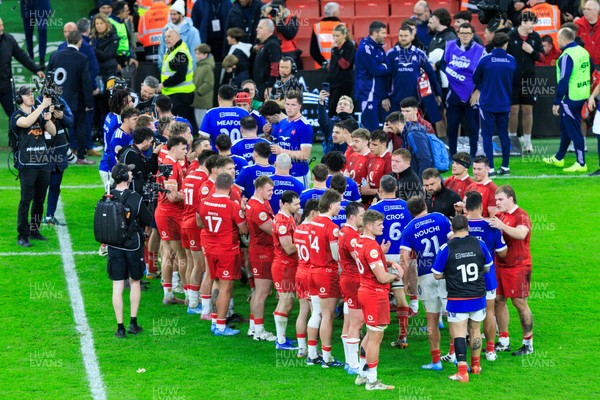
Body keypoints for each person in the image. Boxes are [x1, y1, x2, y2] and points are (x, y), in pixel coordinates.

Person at [432, 214, 492, 381]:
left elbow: (437, 275)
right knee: (475, 331)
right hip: (479, 296)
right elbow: (487, 268)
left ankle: (462, 372)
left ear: (451, 229)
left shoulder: (446, 248)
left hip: (458, 299)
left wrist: (451, 274)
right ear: (468, 228)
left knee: (459, 333)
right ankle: (476, 365)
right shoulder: (479, 244)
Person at [400, 196, 452, 371]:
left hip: (425, 275)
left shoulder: (408, 229)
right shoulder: (440, 217)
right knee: (453, 316)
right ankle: (453, 354)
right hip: (445, 274)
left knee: (432, 319)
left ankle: (436, 361)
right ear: (425, 206)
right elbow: (454, 240)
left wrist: (406, 281)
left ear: (410, 212)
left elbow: (404, 260)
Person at [354, 210, 401, 390]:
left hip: (365, 291)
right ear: (369, 226)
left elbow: (369, 260)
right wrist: (396, 275)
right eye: (380, 225)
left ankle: (362, 374)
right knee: (375, 337)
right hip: (375, 294)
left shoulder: (360, 241)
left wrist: (385, 258)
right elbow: (382, 278)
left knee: (369, 334)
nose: (383, 227)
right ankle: (372, 381)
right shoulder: (371, 246)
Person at [198, 172, 248, 336]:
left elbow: (200, 222)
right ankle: (220, 326)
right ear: (230, 187)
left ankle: (214, 320)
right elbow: (244, 230)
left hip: (210, 248)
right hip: (227, 250)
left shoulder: (204, 202)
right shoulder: (232, 206)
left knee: (216, 283)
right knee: (226, 288)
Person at [489, 185, 535, 356]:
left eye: (500, 199)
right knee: (498, 300)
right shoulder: (501, 215)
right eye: (496, 200)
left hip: (518, 266)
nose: (497, 203)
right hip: (500, 265)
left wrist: (502, 226)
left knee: (519, 303)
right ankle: (503, 340)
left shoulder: (521, 215)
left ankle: (528, 343)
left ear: (511, 199)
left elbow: (521, 234)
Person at [107, 163, 152, 338]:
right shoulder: (135, 197)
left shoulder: (107, 195)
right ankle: (133, 322)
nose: (132, 173)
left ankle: (120, 327)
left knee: (117, 286)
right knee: (134, 282)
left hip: (114, 245)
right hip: (133, 245)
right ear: (126, 177)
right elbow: (148, 219)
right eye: (130, 172)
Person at [368, 177, 413, 349]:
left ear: (380, 188)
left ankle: (372, 330)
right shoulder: (406, 206)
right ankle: (403, 336)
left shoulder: (375, 208)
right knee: (401, 296)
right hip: (402, 255)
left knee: (377, 293)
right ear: (396, 187)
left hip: (381, 254)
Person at [463, 191, 507, 362]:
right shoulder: (492, 226)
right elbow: (502, 252)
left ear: (466, 207)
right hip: (487, 278)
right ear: (481, 206)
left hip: (464, 278)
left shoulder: (459, 226)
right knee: (489, 312)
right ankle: (490, 350)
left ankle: (460, 351)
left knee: (465, 313)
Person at [543, 27, 592, 172]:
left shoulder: (566, 56)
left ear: (564, 39)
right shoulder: (583, 51)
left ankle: (581, 163)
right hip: (582, 94)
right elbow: (591, 69)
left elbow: (564, 80)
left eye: (558, 39)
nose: (557, 41)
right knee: (566, 128)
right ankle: (559, 158)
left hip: (570, 98)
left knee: (574, 130)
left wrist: (557, 101)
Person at [11, 88, 56, 247]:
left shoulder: (38, 113)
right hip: (27, 164)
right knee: (26, 200)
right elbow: (26, 122)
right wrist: (41, 106)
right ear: (19, 98)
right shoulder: (16, 115)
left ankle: (34, 230)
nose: (31, 96)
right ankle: (22, 235)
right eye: (27, 94)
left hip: (43, 163)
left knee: (39, 200)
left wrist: (48, 117)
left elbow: (53, 131)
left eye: (31, 94)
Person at [306, 189, 344, 368]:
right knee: (327, 315)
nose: (340, 207)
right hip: (326, 274)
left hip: (312, 271)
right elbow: (337, 256)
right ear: (331, 205)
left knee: (316, 313)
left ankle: (312, 355)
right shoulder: (332, 227)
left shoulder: (312, 223)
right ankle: (327, 358)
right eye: (339, 204)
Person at [471, 32, 516, 176]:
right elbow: (515, 79)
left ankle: (489, 168)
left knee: (487, 136)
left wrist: (486, 83)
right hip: (504, 102)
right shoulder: (511, 60)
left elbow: (475, 78)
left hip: (487, 103)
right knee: (504, 134)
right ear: (505, 44)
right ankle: (505, 166)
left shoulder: (485, 60)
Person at [48, 30, 95, 165]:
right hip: (76, 101)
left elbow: (48, 78)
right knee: (80, 126)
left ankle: (55, 156)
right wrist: (89, 102)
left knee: (55, 127)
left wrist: (49, 99)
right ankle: (80, 157)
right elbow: (86, 82)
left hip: (56, 100)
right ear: (80, 42)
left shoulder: (55, 56)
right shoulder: (82, 58)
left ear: (67, 40)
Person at [442, 23, 485, 158]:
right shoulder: (449, 46)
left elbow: (485, 73)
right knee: (453, 126)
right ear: (458, 34)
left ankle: (473, 156)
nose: (465, 36)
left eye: (468, 33)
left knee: (473, 127)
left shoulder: (480, 50)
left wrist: (478, 91)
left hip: (472, 94)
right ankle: (452, 156)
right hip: (453, 94)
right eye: (462, 33)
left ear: (472, 35)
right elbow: (443, 64)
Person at [154, 136, 188, 305]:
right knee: (182, 256)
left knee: (168, 252)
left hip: (164, 212)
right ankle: (191, 296)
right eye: (183, 149)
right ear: (173, 148)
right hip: (171, 214)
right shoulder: (170, 165)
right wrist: (188, 195)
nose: (186, 152)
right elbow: (173, 197)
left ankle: (168, 293)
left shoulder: (170, 163)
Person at [507, 11, 544, 154]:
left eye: (534, 22)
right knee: (513, 110)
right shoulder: (510, 36)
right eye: (531, 22)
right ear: (523, 22)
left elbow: (542, 58)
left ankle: (528, 142)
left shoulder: (535, 37)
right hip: (512, 79)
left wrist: (531, 51)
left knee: (528, 110)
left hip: (529, 79)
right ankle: (512, 141)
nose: (533, 26)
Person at [0, 17, 44, 138]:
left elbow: (22, 56)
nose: (2, 27)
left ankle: (16, 142)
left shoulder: (8, 40)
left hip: (6, 87)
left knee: (14, 115)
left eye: (2, 24)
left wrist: (36, 69)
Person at [246, 175, 277, 341]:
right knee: (262, 293)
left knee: (259, 292)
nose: (272, 193)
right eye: (269, 190)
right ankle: (259, 331)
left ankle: (253, 327)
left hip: (260, 251)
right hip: (262, 254)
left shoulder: (259, 203)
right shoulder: (257, 208)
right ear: (259, 189)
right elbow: (273, 230)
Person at [386, 25, 441, 114]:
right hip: (395, 101)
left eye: (406, 36)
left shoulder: (420, 54)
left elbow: (431, 74)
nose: (403, 38)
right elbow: (385, 77)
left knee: (414, 127)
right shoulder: (391, 54)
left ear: (412, 36)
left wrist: (437, 93)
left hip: (416, 100)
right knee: (396, 126)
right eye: (401, 36)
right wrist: (385, 97)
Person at [337, 201, 364, 373]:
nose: (364, 218)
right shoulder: (351, 236)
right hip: (354, 281)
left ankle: (349, 361)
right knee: (357, 322)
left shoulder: (344, 231)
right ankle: (354, 365)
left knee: (348, 322)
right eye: (362, 215)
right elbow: (360, 258)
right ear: (352, 217)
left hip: (347, 279)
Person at [272, 190, 301, 349]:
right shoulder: (283, 222)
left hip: (287, 266)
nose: (299, 206)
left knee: (286, 301)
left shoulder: (288, 217)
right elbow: (289, 248)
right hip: (284, 267)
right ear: (286, 204)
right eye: (296, 204)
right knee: (286, 301)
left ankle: (281, 339)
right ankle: (281, 341)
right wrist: (304, 242)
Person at [269, 90, 313, 186]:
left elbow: (305, 155)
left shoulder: (305, 126)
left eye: (293, 105)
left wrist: (282, 151)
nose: (289, 108)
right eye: (287, 104)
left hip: (299, 174)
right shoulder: (283, 122)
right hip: (281, 172)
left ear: (299, 106)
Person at [293, 198, 319, 357]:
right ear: (314, 212)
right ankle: (313, 352)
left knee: (303, 311)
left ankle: (301, 348)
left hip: (300, 271)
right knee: (316, 313)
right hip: (311, 272)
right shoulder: (314, 230)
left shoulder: (298, 228)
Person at [159, 28, 197, 135]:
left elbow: (180, 76)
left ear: (178, 37)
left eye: (169, 36)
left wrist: (163, 84)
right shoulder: (174, 50)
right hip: (177, 94)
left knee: (179, 126)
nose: (166, 39)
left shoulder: (180, 53)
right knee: (186, 124)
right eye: (165, 37)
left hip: (180, 95)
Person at [354, 21, 390, 131]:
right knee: (371, 129)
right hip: (367, 93)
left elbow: (389, 67)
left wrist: (383, 67)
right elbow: (375, 71)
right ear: (375, 32)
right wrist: (383, 67)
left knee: (383, 128)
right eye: (383, 33)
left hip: (378, 93)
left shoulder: (379, 48)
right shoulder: (364, 48)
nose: (385, 35)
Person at [44, 95, 72, 226]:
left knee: (55, 186)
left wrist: (61, 116)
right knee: (39, 189)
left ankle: (50, 216)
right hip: (42, 153)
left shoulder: (60, 100)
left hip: (59, 151)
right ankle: (35, 218)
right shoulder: (37, 104)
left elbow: (71, 122)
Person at [158, 0, 201, 70]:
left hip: (186, 76)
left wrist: (190, 73)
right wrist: (161, 67)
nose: (172, 17)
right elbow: (161, 50)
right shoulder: (166, 29)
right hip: (167, 74)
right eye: (171, 14)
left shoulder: (192, 31)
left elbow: (195, 55)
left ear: (181, 14)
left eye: (175, 14)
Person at [118, 126, 160, 195]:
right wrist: (155, 154)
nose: (151, 144)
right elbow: (145, 174)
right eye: (151, 142)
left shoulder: (130, 150)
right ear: (144, 142)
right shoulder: (131, 155)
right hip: (132, 195)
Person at [325, 24, 355, 119]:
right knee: (331, 110)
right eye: (334, 36)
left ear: (344, 35)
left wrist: (336, 52)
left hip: (343, 84)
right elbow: (332, 66)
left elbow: (345, 65)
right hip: (334, 84)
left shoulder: (349, 46)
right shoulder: (336, 49)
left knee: (336, 111)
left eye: (337, 36)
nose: (335, 38)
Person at [261, 0, 300, 65]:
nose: (276, 10)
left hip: (287, 51)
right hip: (271, 49)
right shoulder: (268, 18)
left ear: (284, 9)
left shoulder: (292, 18)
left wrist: (279, 22)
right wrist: (265, 15)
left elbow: (289, 35)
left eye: (278, 8)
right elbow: (260, 31)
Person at [254, 18, 282, 101]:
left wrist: (270, 86)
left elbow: (275, 66)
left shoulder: (272, 45)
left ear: (268, 30)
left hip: (266, 88)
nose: (257, 29)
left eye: (260, 27)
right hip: (261, 87)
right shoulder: (266, 45)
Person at [107, 107, 140, 177]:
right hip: (120, 176)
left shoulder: (131, 133)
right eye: (134, 119)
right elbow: (118, 161)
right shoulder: (118, 138)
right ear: (126, 120)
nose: (137, 122)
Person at [310, 2, 343, 69]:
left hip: (322, 68)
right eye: (339, 11)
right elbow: (347, 49)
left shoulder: (317, 27)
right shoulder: (343, 26)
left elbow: (313, 51)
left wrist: (324, 63)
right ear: (335, 13)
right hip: (339, 68)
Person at [362, 130, 392, 200]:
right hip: (369, 199)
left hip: (382, 199)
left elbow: (390, 187)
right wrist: (364, 186)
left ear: (384, 145)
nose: (371, 147)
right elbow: (366, 177)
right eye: (370, 144)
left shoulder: (390, 159)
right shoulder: (371, 157)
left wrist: (370, 191)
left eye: (375, 145)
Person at [20, 0, 51, 69]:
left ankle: (42, 59)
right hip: (27, 4)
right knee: (28, 31)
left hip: (42, 4)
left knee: (42, 30)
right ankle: (30, 57)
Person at [109, 1, 139, 69]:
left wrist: (130, 57)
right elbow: (107, 46)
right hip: (115, 61)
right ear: (120, 13)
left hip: (123, 59)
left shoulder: (122, 22)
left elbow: (126, 42)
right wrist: (114, 63)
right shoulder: (109, 23)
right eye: (127, 11)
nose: (129, 12)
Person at [192, 44, 216, 128]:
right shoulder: (200, 65)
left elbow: (209, 83)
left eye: (199, 54)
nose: (196, 55)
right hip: (198, 99)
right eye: (196, 53)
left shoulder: (207, 67)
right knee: (199, 121)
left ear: (205, 54)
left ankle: (205, 139)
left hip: (203, 99)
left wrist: (199, 92)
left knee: (202, 122)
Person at [575, 0, 600, 65]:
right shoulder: (577, 24)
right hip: (583, 64)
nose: (585, 11)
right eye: (584, 9)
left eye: (588, 9)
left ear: (596, 11)